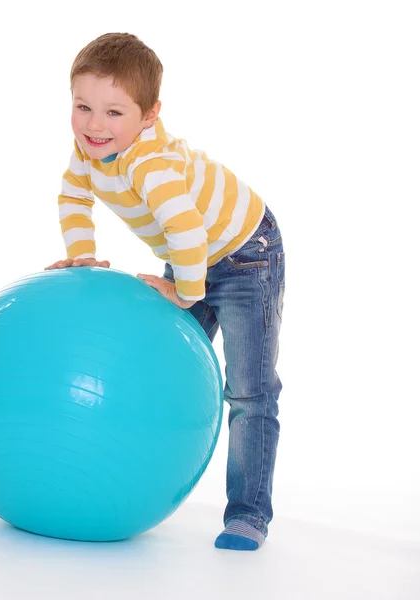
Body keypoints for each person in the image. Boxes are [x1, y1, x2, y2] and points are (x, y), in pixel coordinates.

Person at [45, 32, 285, 552]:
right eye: (83, 107)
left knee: (249, 391)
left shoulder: (150, 166)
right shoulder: (88, 153)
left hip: (246, 254)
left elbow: (188, 232)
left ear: (150, 115)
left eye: (114, 113)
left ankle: (248, 514)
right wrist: (82, 251)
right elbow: (71, 193)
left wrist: (183, 293)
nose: (93, 125)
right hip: (191, 253)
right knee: (157, 375)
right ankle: (126, 480)